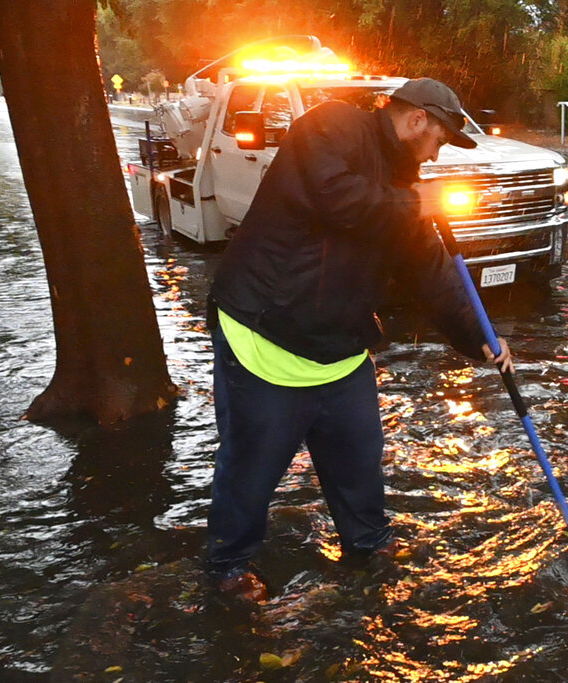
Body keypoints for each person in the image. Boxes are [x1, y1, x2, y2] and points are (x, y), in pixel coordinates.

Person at [204, 78, 513, 601]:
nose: (437, 155)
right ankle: (227, 567)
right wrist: (416, 204)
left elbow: (430, 271)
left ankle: (368, 546)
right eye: (439, 140)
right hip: (264, 333)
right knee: (251, 470)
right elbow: (336, 196)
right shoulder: (332, 126)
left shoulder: (406, 185)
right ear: (418, 120)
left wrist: (477, 335)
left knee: (358, 463)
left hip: (340, 347)